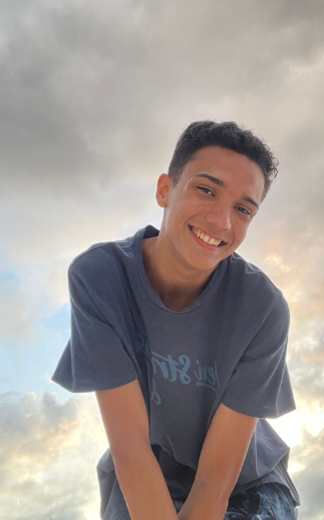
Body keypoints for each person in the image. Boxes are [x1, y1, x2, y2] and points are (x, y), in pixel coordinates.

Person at [51, 121, 299, 519]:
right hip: (143, 476)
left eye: (242, 209)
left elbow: (215, 482)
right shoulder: (100, 277)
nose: (222, 221)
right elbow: (131, 451)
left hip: (244, 484)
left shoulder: (263, 308)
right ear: (165, 189)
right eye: (206, 190)